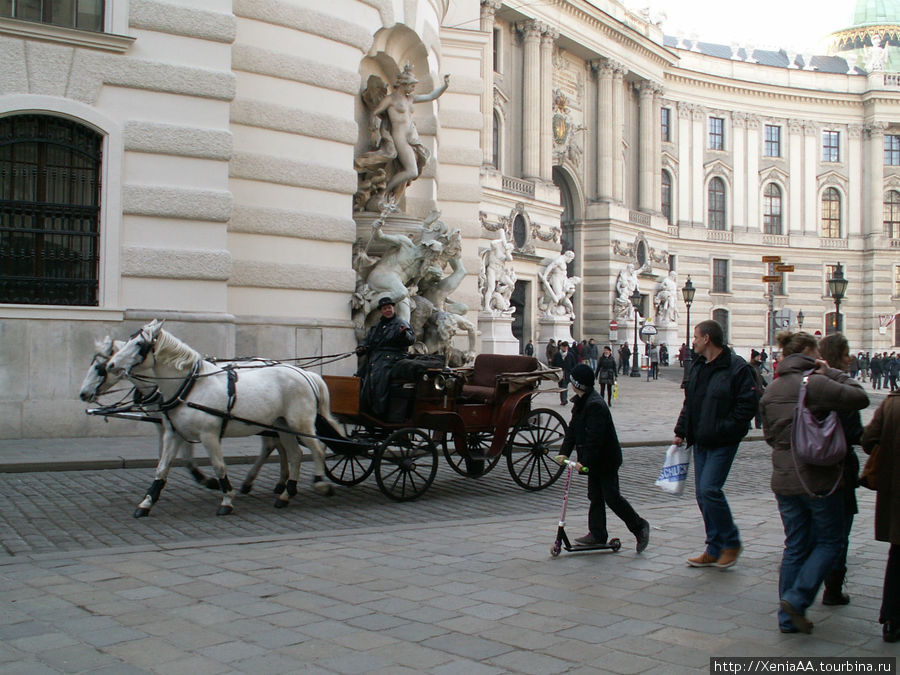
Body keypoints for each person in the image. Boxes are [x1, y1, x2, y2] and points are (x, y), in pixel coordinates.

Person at [759, 331, 868, 634]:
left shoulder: (773, 388)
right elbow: (859, 397)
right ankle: (797, 597)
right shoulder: (816, 382)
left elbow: (769, 436)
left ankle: (787, 619)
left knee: (795, 545)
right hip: (818, 478)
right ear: (809, 352)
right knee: (830, 541)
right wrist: (830, 371)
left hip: (783, 478)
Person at [674, 319, 759, 569]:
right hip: (700, 439)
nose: (694, 342)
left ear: (707, 339)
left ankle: (731, 542)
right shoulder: (700, 366)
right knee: (702, 495)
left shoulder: (737, 368)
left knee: (710, 490)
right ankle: (713, 547)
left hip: (723, 440)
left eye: (696, 337)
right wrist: (681, 430)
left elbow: (747, 405)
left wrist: (726, 428)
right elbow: (690, 403)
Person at [555, 364, 650, 553]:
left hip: (606, 459)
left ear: (577, 384)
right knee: (595, 496)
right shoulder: (581, 402)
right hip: (594, 461)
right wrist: (564, 451)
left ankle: (639, 527)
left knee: (612, 497)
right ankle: (597, 534)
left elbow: (595, 439)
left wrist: (585, 462)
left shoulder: (595, 405)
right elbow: (573, 430)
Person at [818, 333, 865, 607]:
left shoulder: (811, 383)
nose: (850, 358)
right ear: (839, 356)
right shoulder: (842, 389)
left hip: (814, 469)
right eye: (846, 353)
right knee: (839, 532)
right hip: (840, 469)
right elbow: (853, 432)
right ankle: (833, 587)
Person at [861, 387, 900, 643]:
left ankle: (891, 619)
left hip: (896, 491)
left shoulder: (891, 404)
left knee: (898, 556)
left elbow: (867, 441)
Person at [356, 297, 415, 418]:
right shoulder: (377, 326)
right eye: (384, 308)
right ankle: (365, 408)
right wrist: (362, 347)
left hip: (393, 358)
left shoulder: (400, 323)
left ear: (393, 308)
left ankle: (379, 410)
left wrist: (404, 334)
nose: (387, 310)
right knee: (361, 376)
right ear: (381, 311)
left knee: (379, 375)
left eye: (389, 307)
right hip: (377, 358)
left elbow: (410, 339)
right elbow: (367, 340)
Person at [551, 341, 577, 405]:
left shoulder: (570, 355)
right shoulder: (557, 355)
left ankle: (564, 400)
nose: (565, 348)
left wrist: (572, 372)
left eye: (566, 347)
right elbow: (553, 364)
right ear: (561, 347)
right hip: (559, 373)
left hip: (567, 373)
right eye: (564, 347)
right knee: (560, 386)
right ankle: (562, 399)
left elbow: (574, 364)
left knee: (564, 386)